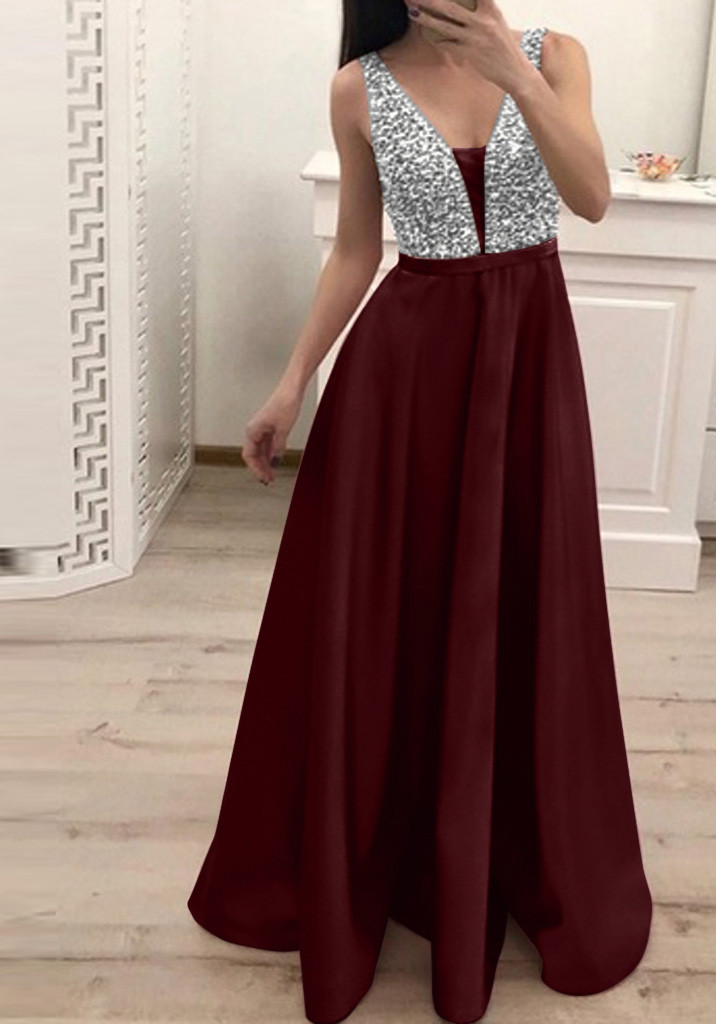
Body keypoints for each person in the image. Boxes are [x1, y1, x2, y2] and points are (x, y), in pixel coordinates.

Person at [187, 2, 653, 1021]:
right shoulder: (358, 86)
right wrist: (290, 385)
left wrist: (513, 73)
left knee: (519, 608)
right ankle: (389, 841)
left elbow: (592, 196)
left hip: (528, 366)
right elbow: (356, 252)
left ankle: (502, 841)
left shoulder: (556, 57)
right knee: (393, 622)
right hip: (406, 382)